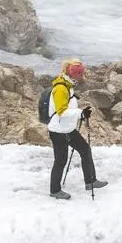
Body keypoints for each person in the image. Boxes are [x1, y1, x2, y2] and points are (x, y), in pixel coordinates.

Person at [48, 59, 107, 200]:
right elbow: (61, 111)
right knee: (61, 160)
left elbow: (69, 109)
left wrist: (80, 115)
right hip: (58, 131)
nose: (82, 77)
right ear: (73, 74)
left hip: (68, 128)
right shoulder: (61, 88)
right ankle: (55, 190)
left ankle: (90, 181)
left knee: (85, 150)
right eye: (80, 74)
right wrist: (80, 114)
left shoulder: (69, 86)